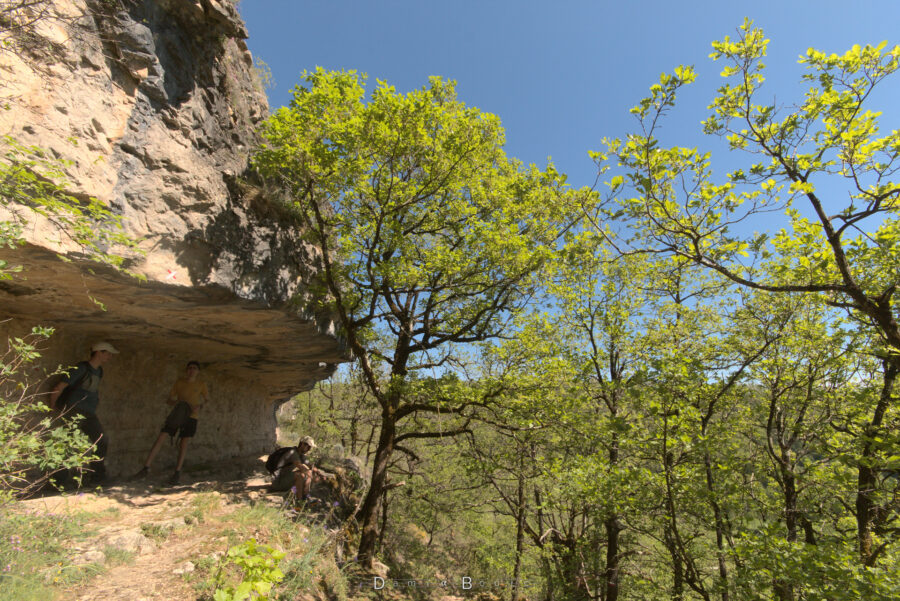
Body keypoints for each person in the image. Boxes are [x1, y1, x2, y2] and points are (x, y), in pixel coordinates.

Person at [49, 341, 119, 486]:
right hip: (73, 410)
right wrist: (52, 406)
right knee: (66, 444)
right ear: (99, 352)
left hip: (88, 413)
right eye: (108, 353)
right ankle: (57, 482)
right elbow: (59, 387)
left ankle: (97, 477)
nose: (110, 357)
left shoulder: (99, 371)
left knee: (101, 440)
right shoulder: (81, 368)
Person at [133, 360, 210, 484]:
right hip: (178, 414)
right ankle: (146, 468)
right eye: (190, 368)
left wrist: (199, 406)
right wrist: (177, 403)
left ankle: (177, 472)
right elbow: (169, 399)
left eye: (194, 368)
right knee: (162, 436)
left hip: (191, 416)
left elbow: (207, 400)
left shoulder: (201, 384)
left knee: (183, 443)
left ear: (198, 371)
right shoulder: (179, 382)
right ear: (187, 370)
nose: (192, 370)